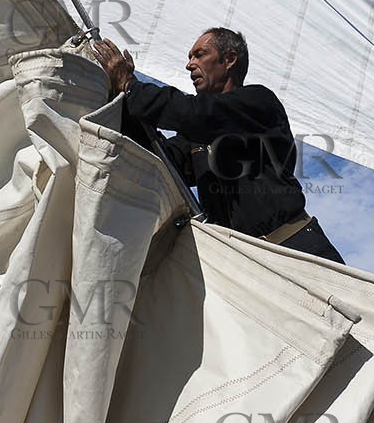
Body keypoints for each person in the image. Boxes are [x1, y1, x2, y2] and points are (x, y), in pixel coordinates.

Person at [92, 27, 345, 263]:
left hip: (297, 249)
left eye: (200, 55)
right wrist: (122, 100)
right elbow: (160, 161)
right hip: (243, 265)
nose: (189, 64)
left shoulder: (258, 102)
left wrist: (131, 86)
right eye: (190, 57)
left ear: (229, 59)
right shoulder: (197, 138)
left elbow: (195, 114)